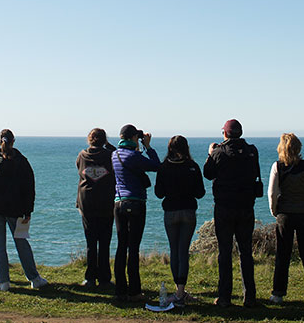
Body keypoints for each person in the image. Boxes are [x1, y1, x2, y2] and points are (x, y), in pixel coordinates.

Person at [0, 129, 48, 291]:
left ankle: (4, 282)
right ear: (13, 141)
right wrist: (28, 210)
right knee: (21, 243)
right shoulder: (22, 162)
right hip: (16, 210)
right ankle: (34, 278)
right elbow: (29, 188)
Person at [203, 118, 261, 307]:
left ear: (225, 133)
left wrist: (210, 154)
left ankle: (225, 296)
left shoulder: (219, 152)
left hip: (224, 208)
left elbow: (208, 174)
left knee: (224, 253)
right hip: (246, 207)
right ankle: (249, 297)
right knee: (246, 253)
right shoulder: (252, 151)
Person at [268, 133, 304, 306]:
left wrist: (274, 210)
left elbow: (272, 193)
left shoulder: (277, 166)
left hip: (285, 214)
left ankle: (278, 294)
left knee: (282, 255)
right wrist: (303, 194)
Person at [110, 124, 161, 301]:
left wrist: (137, 146)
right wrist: (148, 146)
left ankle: (120, 290)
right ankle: (134, 291)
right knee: (133, 248)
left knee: (121, 246)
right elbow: (156, 166)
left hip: (119, 203)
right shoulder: (134, 156)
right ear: (133, 138)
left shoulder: (114, 155)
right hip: (136, 203)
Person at [154, 135, 205, 305]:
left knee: (174, 250)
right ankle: (180, 291)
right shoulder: (192, 166)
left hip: (170, 211)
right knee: (183, 251)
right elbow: (200, 192)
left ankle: (178, 291)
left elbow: (159, 193)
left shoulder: (164, 167)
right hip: (188, 210)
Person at [75, 128, 115, 288]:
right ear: (104, 140)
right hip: (106, 203)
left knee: (90, 243)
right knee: (104, 242)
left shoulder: (82, 156)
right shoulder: (110, 155)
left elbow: (78, 168)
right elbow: (116, 155)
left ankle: (90, 277)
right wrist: (108, 145)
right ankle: (104, 278)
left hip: (87, 203)